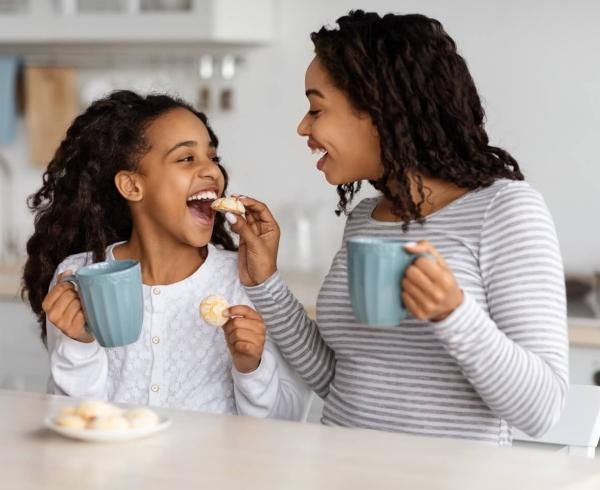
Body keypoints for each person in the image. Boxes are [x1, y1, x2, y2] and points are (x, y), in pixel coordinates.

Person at [224, 11, 568, 444]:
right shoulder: (365, 219)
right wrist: (265, 282)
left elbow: (542, 411)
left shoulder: (504, 210)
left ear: (379, 109)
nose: (303, 127)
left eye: (316, 109)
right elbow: (341, 380)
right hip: (342, 472)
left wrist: (454, 314)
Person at [22, 90, 309, 419]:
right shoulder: (80, 277)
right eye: (186, 158)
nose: (212, 171)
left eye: (212, 158)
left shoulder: (245, 280)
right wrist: (77, 345)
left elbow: (288, 424)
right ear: (132, 186)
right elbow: (76, 419)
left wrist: (252, 368)